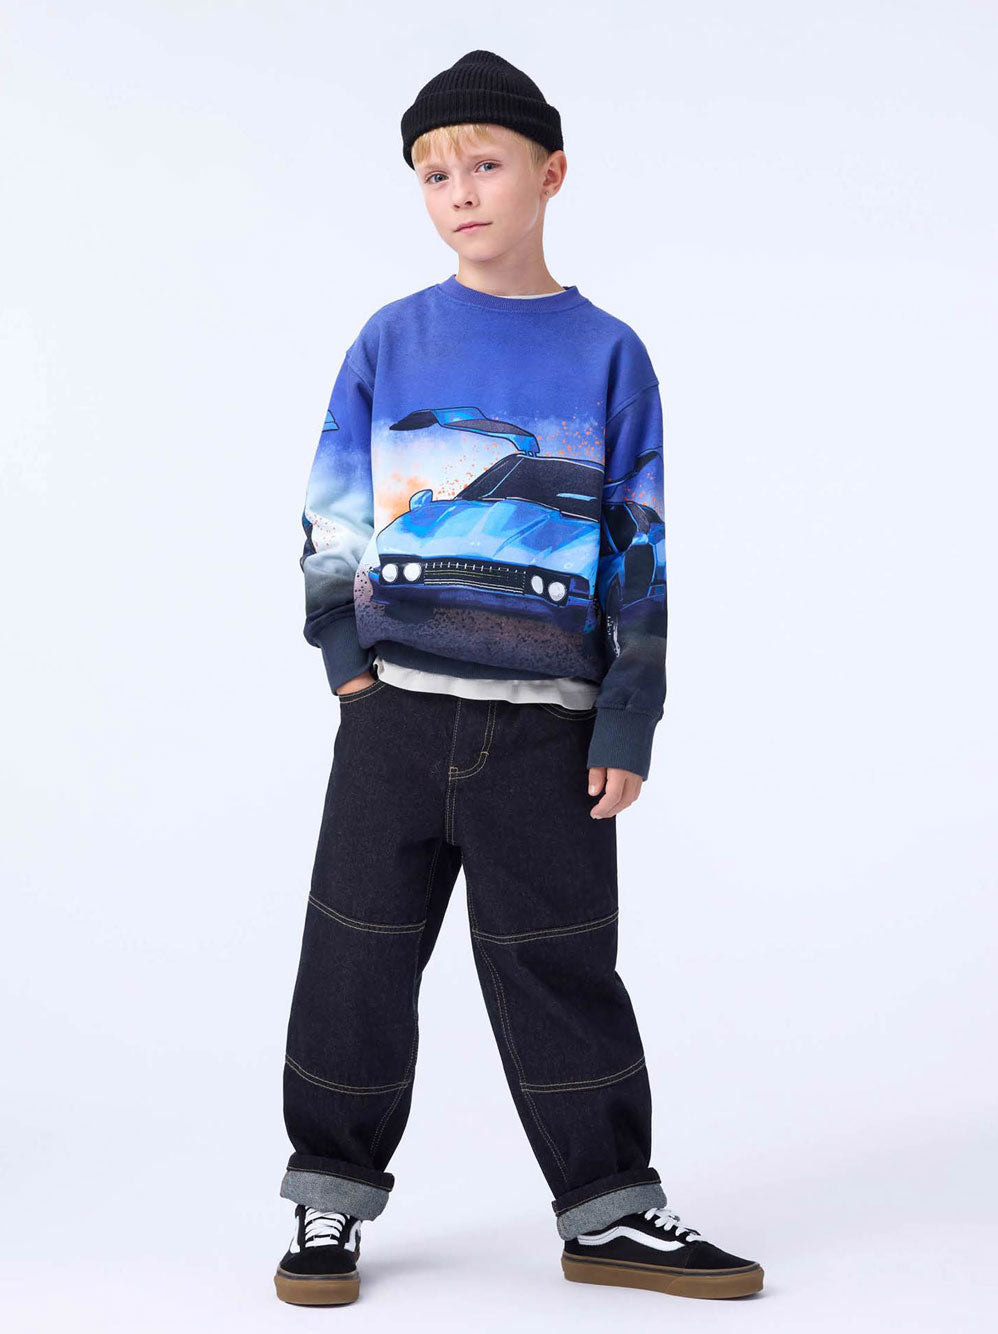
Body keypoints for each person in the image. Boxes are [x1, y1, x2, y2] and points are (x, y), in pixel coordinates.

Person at [273, 49, 763, 1307]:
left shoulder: (609, 353)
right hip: (391, 718)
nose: (460, 193)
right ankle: (326, 1200)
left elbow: (639, 543)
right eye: (434, 175)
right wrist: (345, 662)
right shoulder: (390, 337)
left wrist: (627, 714)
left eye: (484, 165)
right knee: (354, 960)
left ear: (550, 174)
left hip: (547, 735)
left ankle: (610, 1209)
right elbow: (334, 504)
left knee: (560, 966)